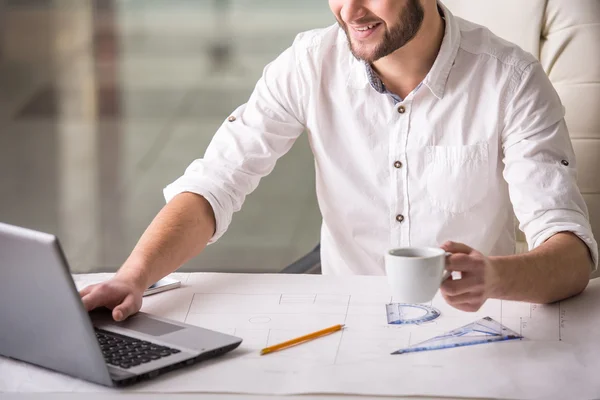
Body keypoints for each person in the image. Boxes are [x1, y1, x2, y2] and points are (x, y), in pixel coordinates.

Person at [80, 0, 598, 320]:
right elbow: (216, 183)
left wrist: (496, 278)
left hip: (474, 330)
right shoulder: (309, 63)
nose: (350, 11)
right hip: (345, 327)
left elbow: (573, 257)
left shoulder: (510, 79)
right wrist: (133, 276)